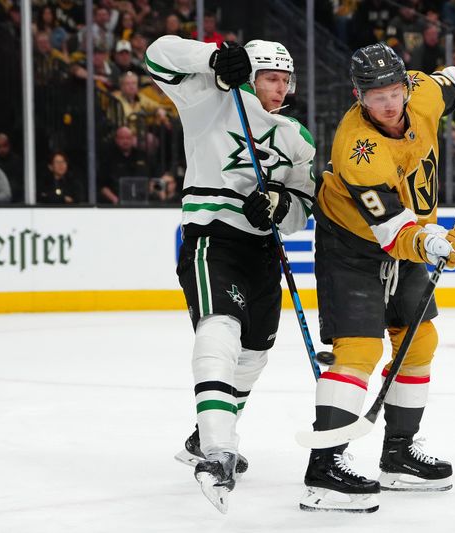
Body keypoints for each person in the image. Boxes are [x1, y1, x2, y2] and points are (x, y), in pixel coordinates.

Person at [301, 43, 455, 513]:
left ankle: (398, 454)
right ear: (357, 96)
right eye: (375, 94)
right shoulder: (357, 149)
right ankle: (324, 469)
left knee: (419, 340)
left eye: (393, 91)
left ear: (406, 86)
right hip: (351, 246)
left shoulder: (419, 94)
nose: (388, 102)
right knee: (360, 350)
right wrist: (431, 242)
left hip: (408, 237)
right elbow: (390, 229)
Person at [144, 36, 316, 512]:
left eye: (285, 79)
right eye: (269, 77)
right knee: (219, 327)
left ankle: (202, 438)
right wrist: (213, 57)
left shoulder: (295, 137)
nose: (279, 88)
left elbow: (304, 206)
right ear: (249, 75)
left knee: (255, 353)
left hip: (262, 252)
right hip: (212, 240)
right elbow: (158, 54)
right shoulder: (209, 98)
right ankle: (220, 447)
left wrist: (280, 208)